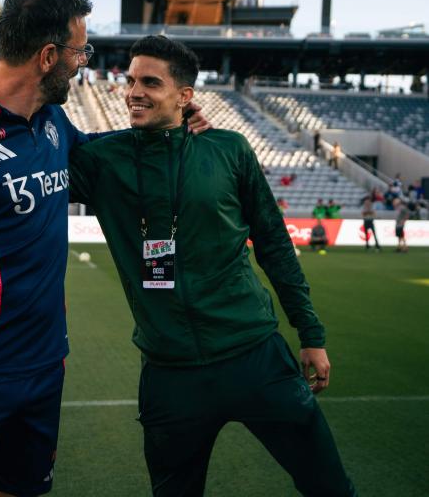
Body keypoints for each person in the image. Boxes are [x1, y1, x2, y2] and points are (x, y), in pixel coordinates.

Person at [0, 0, 210, 497]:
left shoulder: (54, 123)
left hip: (43, 370)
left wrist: (173, 126)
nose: (84, 62)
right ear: (47, 57)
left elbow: (103, 156)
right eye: (79, 51)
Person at [69, 35, 356, 497]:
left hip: (255, 357)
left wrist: (311, 334)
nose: (133, 91)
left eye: (150, 82)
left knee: (329, 486)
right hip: (170, 374)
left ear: (185, 96)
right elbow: (36, 145)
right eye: (129, 80)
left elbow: (275, 246)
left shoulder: (229, 149)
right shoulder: (102, 160)